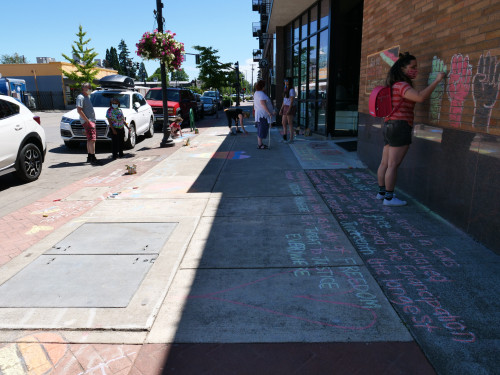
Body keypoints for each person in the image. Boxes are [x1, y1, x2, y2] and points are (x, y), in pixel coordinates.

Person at [376, 52, 446, 206]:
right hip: (400, 126)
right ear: (402, 68)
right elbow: (420, 97)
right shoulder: (402, 85)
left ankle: (382, 193)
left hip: (389, 125)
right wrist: (437, 81)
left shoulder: (393, 85)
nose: (416, 70)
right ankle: (389, 198)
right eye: (412, 67)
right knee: (393, 164)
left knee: (385, 163)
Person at [76, 82, 101, 165]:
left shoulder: (87, 96)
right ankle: (92, 157)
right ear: (83, 88)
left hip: (90, 121)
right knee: (93, 140)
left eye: (90, 87)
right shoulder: (81, 97)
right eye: (88, 87)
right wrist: (87, 121)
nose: (90, 89)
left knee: (90, 140)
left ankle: (90, 156)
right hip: (88, 121)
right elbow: (79, 110)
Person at [253, 80, 275, 149]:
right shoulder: (261, 94)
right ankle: (260, 145)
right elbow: (263, 104)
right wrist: (269, 112)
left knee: (260, 128)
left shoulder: (256, 93)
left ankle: (260, 144)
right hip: (262, 115)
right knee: (262, 128)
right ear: (262, 86)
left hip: (259, 114)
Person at [279, 77, 296, 143]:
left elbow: (291, 101)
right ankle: (285, 137)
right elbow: (284, 100)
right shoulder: (285, 89)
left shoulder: (291, 90)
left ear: (290, 81)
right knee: (283, 122)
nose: (285, 81)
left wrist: (289, 109)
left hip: (290, 107)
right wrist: (281, 109)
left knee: (290, 123)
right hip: (285, 106)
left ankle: (291, 139)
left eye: (286, 80)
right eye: (284, 80)